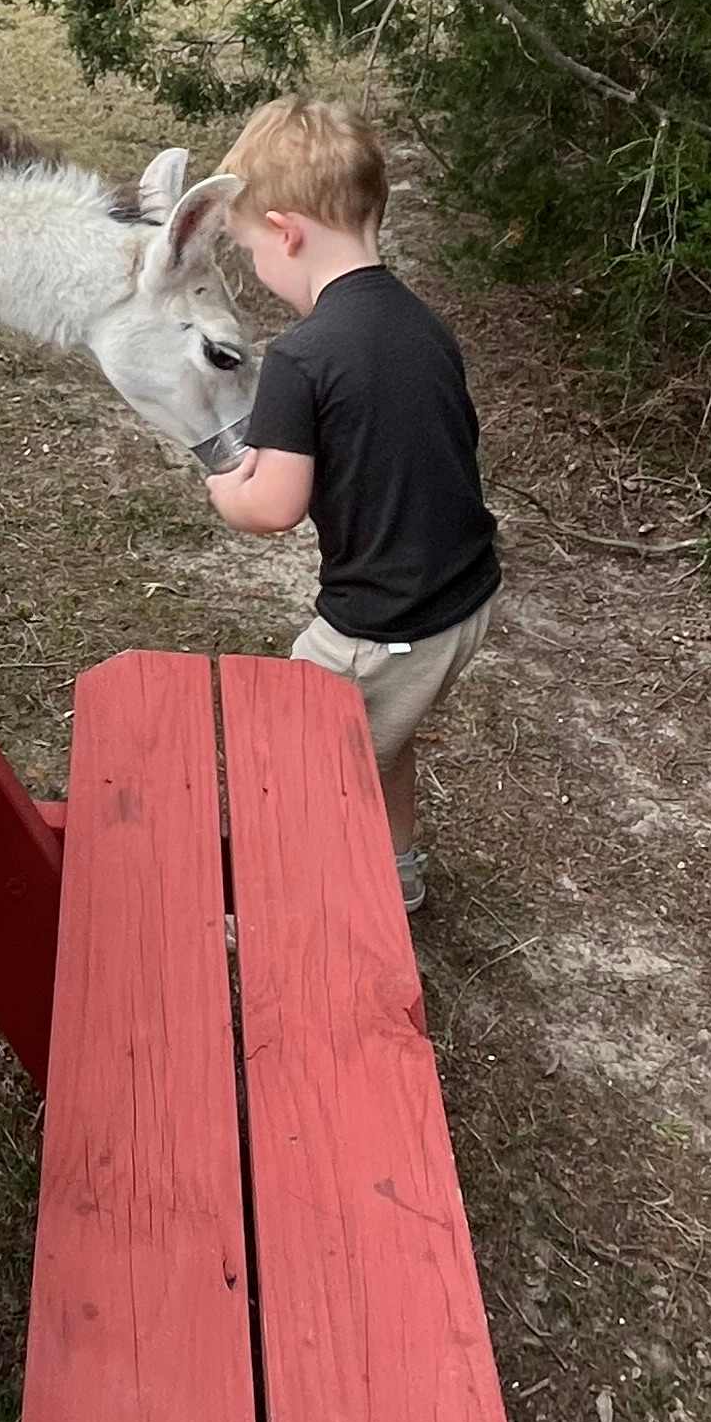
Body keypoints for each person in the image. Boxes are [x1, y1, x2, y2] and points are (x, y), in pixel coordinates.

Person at [201, 95, 500, 904]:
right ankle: (395, 872)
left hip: (382, 627)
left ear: (287, 230)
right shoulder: (422, 325)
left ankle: (292, 912)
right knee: (382, 738)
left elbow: (269, 509)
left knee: (293, 762)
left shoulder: (302, 356)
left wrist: (218, 476)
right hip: (462, 604)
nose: (257, 269)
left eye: (250, 247)